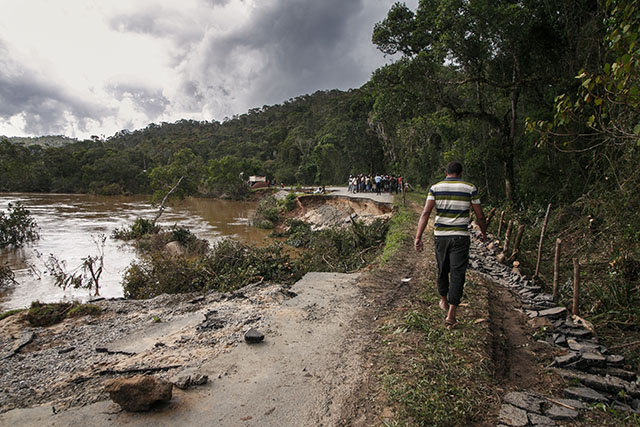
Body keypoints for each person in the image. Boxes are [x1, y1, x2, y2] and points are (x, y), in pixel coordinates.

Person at [414, 161, 487, 327]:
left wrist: (418, 236)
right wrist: (483, 232)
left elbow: (426, 213)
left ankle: (443, 300)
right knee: (458, 272)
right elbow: (480, 215)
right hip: (460, 237)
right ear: (461, 173)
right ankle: (452, 313)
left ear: (446, 172)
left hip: (441, 236)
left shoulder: (435, 188)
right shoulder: (470, 188)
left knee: (442, 268)